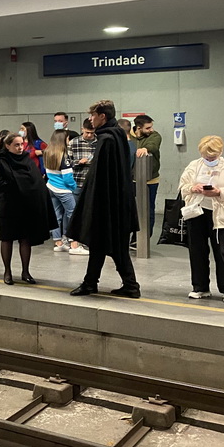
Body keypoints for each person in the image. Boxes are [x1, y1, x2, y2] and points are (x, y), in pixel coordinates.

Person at [68, 100, 141, 298]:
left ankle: (127, 285)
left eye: (93, 115)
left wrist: (91, 204)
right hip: (116, 202)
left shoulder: (107, 139)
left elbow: (99, 176)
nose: (90, 119)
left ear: (103, 116)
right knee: (104, 245)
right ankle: (94, 282)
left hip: (107, 203)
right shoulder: (116, 136)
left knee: (112, 246)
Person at [178, 136, 224, 304]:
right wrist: (193, 188)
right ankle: (200, 287)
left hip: (221, 216)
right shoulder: (194, 166)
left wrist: (219, 192)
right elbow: (182, 187)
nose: (209, 159)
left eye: (212, 157)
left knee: (223, 253)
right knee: (197, 252)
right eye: (206, 156)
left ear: (220, 152)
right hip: (197, 213)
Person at [0, 132, 57, 285]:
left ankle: (25, 271)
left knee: (25, 239)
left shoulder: (27, 160)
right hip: (8, 205)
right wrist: (19, 185)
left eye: (22, 144)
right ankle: (7, 271)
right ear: (7, 146)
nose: (20, 147)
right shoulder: (0, 161)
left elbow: (36, 182)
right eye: (16, 144)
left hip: (26, 205)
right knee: (7, 238)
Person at [44, 131, 83, 254]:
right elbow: (67, 178)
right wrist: (73, 186)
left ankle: (58, 243)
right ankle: (74, 244)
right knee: (73, 215)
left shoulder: (47, 153)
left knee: (56, 216)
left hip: (51, 187)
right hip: (63, 190)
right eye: (67, 139)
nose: (68, 140)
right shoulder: (63, 156)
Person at [132, 115, 162, 237]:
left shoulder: (155, 135)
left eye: (151, 127)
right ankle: (134, 237)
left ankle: (144, 238)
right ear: (139, 128)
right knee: (133, 210)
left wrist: (145, 148)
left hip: (151, 180)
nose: (151, 130)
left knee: (148, 210)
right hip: (132, 180)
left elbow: (154, 145)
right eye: (148, 128)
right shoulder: (128, 136)